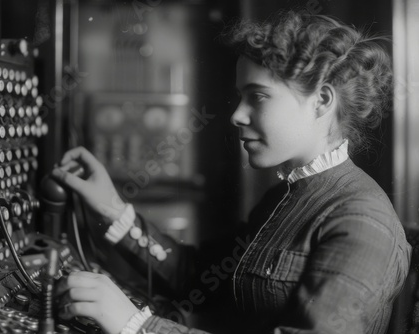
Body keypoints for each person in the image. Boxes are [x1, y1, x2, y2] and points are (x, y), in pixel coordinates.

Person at [52, 10, 411, 334]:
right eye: (241, 96)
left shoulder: (362, 222)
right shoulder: (283, 196)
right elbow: (200, 277)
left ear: (322, 101)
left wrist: (137, 325)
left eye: (258, 96)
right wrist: (115, 210)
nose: (237, 115)